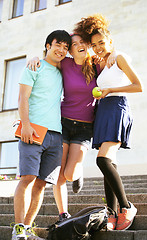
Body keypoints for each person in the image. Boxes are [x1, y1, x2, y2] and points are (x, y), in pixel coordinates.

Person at [27, 33, 115, 222]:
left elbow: (113, 62)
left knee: (70, 173)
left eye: (82, 42)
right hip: (63, 123)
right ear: (70, 50)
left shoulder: (96, 64)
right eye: (74, 44)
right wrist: (34, 58)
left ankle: (78, 173)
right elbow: (47, 61)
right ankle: (63, 213)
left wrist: (113, 54)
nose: (79, 46)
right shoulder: (65, 63)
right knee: (59, 175)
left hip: (85, 128)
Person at [73, 14, 142, 231]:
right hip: (102, 111)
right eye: (94, 45)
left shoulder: (118, 57)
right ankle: (111, 214)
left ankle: (126, 206)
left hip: (117, 107)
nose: (98, 47)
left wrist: (111, 89)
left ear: (110, 41)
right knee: (108, 162)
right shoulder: (98, 62)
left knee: (103, 160)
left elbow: (138, 85)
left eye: (102, 43)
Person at [12, 30, 71, 240]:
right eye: (58, 45)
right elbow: (22, 98)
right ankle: (18, 229)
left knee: (41, 183)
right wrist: (25, 124)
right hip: (33, 130)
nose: (62, 50)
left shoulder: (64, 71)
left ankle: (27, 229)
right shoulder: (34, 66)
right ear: (48, 45)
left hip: (56, 135)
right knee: (27, 178)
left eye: (66, 47)